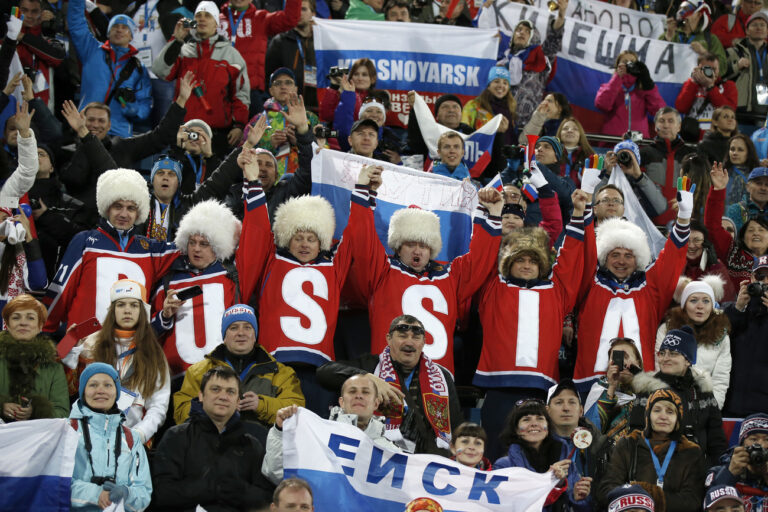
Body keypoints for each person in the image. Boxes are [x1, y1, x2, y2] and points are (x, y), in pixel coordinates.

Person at [344, 166, 503, 371]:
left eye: (424, 245)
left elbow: (481, 258)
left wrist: (492, 213)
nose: (417, 251)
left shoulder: (449, 277)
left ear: (433, 249)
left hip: (437, 382)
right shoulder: (382, 272)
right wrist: (364, 190)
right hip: (390, 379)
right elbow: (363, 239)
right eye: (411, 244)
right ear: (398, 247)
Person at [474, 189, 587, 458]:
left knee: (538, 457)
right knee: (495, 454)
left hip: (541, 389)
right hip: (498, 387)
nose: (526, 265)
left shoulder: (555, 290)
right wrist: (490, 213)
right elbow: (482, 254)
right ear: (508, 264)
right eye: (520, 260)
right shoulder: (494, 287)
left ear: (542, 265)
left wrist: (579, 214)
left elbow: (570, 258)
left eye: (532, 260)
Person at [574, 182, 693, 391]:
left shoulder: (650, 288)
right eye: (615, 255)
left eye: (628, 255)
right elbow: (582, 251)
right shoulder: (590, 283)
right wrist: (585, 202)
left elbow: (672, 258)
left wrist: (683, 219)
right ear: (604, 257)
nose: (621, 261)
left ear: (637, 259)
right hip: (589, 382)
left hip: (640, 384)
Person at [44, 168, 180, 332]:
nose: (124, 214)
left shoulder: (150, 250)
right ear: (107, 207)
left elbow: (195, 245)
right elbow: (60, 292)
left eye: (131, 208)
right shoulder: (85, 241)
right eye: (118, 206)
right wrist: (46, 334)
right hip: (82, 348)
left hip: (130, 350)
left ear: (138, 213)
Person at [58, 73, 193, 226]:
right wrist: (83, 141)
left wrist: (181, 100)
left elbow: (160, 137)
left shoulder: (123, 147)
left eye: (101, 121)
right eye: (90, 120)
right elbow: (74, 180)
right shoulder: (66, 151)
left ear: (109, 126)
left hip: (120, 223)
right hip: (79, 224)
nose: (95, 125)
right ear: (81, 121)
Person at [317, 315, 464, 455]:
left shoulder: (441, 377)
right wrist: (369, 379)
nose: (409, 342)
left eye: (416, 337)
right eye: (402, 336)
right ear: (389, 339)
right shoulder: (371, 366)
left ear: (423, 342)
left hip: (429, 460)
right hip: (381, 454)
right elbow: (324, 373)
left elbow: (456, 425)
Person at [151, 365, 274, 511]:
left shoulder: (252, 446)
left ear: (237, 401)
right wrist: (212, 487)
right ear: (201, 395)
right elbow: (161, 494)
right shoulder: (176, 437)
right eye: (215, 389)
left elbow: (266, 500)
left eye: (230, 392)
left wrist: (241, 490)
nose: (223, 396)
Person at [63, 279, 170, 444]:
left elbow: (158, 406)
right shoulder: (90, 343)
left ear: (142, 311)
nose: (127, 310)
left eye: (134, 305)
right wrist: (70, 349)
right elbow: (70, 388)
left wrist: (139, 434)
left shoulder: (154, 353)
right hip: (89, 436)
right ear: (112, 310)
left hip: (133, 440)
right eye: (121, 305)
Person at [174, 304, 305, 432]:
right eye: (234, 328)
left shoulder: (281, 373)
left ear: (255, 335)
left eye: (248, 327)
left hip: (263, 449)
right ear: (224, 336)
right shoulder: (198, 372)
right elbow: (180, 412)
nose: (241, 333)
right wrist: (213, 407)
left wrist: (261, 405)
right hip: (211, 448)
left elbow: (297, 411)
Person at [151, 200, 242, 378]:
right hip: (177, 379)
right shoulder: (168, 281)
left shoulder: (230, 277)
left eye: (204, 244)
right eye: (192, 242)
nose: (196, 249)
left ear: (216, 246)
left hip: (223, 376)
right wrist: (165, 316)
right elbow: (149, 333)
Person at [262, 374, 400, 483]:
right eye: (352, 391)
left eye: (366, 392)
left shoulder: (391, 452)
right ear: (341, 402)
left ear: (376, 403)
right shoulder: (316, 437)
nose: (359, 395)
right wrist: (279, 432)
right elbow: (277, 473)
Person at [153, 2, 250, 155]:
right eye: (198, 15)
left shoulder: (232, 56)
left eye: (208, 15)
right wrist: (176, 40)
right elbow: (160, 71)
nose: (202, 19)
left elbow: (240, 95)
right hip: (183, 130)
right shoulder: (182, 50)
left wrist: (238, 125)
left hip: (218, 134)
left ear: (216, 23)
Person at [631, 326, 728, 466]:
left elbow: (716, 438)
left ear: (688, 360)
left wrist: (714, 471)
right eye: (662, 353)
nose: (665, 358)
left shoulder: (702, 390)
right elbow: (636, 433)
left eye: (673, 353)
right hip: (655, 468)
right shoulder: (647, 389)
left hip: (697, 470)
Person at [598, 389, 705, 512]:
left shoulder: (691, 452)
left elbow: (692, 501)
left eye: (670, 412)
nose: (663, 416)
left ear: (678, 418)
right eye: (657, 410)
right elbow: (605, 490)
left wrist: (644, 492)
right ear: (648, 415)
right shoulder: (628, 444)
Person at [69, 363, 151, 511]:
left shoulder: (131, 438)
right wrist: (97, 494)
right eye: (93, 385)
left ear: (116, 392)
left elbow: (143, 492)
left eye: (108, 385)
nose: (100, 390)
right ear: (83, 392)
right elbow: (55, 484)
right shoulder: (68, 431)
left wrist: (127, 494)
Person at [67, 1, 152, 137]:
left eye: (124, 27)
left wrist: (132, 108)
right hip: (87, 128)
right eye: (115, 26)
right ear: (108, 32)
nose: (119, 30)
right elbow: (76, 24)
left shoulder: (138, 68)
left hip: (119, 134)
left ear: (131, 36)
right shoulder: (92, 50)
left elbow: (145, 104)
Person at [494, 399, 592, 512]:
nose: (534, 424)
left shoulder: (566, 462)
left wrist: (578, 498)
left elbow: (584, 509)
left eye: (540, 418)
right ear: (516, 429)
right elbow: (503, 505)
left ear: (548, 426)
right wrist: (545, 480)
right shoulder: (504, 466)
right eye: (526, 419)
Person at [656, 277, 731, 408]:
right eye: (693, 300)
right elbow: (661, 370)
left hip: (704, 408)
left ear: (712, 305)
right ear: (684, 304)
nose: (700, 306)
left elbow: (720, 381)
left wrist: (711, 410)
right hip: (670, 406)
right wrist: (671, 406)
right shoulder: (667, 329)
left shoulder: (721, 336)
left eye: (706, 301)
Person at [219, 0, 301, 115]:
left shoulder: (261, 19)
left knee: (258, 131)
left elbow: (290, 19)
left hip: (252, 93)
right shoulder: (214, 20)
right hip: (220, 91)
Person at [498, 0, 568, 128]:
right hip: (501, 125)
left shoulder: (540, 60)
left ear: (534, 36)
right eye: (518, 30)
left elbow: (553, 40)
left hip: (528, 127)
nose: (522, 33)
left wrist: (561, 15)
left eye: (527, 31)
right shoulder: (502, 62)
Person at [0, 295, 68, 422]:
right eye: (16, 317)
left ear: (40, 326)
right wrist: (1, 406)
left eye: (30, 318)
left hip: (39, 440)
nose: (23, 322)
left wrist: (35, 410)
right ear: (7, 325)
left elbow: (63, 413)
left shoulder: (54, 367)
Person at [705, 163, 768, 291]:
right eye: (751, 230)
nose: (756, 233)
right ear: (742, 237)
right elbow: (713, 227)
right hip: (736, 307)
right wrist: (718, 190)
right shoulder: (733, 253)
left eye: (761, 230)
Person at [721, 257, 768, 418]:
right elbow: (717, 338)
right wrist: (739, 307)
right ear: (751, 278)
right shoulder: (734, 309)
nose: (765, 281)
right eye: (760, 276)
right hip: (730, 404)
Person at [255, 68, 319, 177]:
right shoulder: (259, 119)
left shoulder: (310, 118)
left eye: (288, 82)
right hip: (269, 183)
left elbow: (324, 149)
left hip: (304, 179)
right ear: (271, 90)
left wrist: (301, 141)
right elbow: (245, 152)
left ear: (296, 88)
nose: (283, 86)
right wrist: (269, 145)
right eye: (277, 83)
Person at [547, 379, 606, 495]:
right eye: (559, 402)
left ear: (581, 411)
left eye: (572, 402)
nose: (566, 408)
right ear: (547, 411)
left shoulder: (600, 446)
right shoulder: (536, 445)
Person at [639, 107, 697, 225]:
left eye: (671, 121)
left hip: (684, 220)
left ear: (679, 126)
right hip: (649, 221)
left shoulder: (691, 155)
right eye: (661, 121)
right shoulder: (643, 154)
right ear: (655, 126)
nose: (666, 125)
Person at [583, 338, 644, 445]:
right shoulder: (599, 390)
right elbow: (591, 432)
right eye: (616, 358)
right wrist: (611, 387)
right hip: (609, 457)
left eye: (626, 357)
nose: (622, 363)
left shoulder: (648, 392)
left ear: (637, 362)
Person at [595, 51, 666, 139]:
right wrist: (617, 78)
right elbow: (602, 105)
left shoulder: (644, 90)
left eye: (632, 62)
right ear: (617, 66)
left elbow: (659, 112)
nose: (628, 65)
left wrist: (648, 84)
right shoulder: (609, 87)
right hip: (612, 140)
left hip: (639, 142)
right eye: (625, 62)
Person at [265, 0, 319, 111]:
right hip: (287, 108)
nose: (298, 13)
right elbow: (269, 76)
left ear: (313, 14)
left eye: (303, 9)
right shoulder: (280, 41)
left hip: (316, 106)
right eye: (296, 9)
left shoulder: (321, 42)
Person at [706, 414, 768, 510]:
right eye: (753, 439)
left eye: (767, 439)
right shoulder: (717, 471)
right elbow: (709, 505)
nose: (761, 445)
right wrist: (730, 473)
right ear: (742, 444)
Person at [602, 140, 669, 221]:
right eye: (620, 155)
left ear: (636, 161)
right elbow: (593, 205)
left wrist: (639, 177)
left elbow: (660, 208)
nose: (624, 159)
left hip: (636, 231)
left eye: (630, 157)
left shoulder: (644, 183)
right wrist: (607, 175)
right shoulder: (605, 180)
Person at [675, 53, 738, 140]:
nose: (711, 73)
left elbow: (729, 110)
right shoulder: (690, 84)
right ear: (698, 68)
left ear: (719, 69)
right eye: (707, 69)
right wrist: (693, 82)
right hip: (692, 134)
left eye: (714, 69)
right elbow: (681, 108)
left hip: (717, 137)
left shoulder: (728, 86)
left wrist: (711, 87)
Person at [15, 0, 65, 105]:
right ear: (17, 11)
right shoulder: (7, 35)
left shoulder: (48, 34)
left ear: (42, 13)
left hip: (40, 103)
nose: (29, 15)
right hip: (12, 96)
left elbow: (57, 57)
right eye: (24, 10)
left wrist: (24, 37)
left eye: (34, 11)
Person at [723, 12, 768, 127]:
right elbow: (720, 75)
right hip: (741, 112)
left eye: (762, 25)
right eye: (754, 25)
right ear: (747, 31)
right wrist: (736, 66)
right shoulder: (734, 52)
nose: (759, 27)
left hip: (765, 114)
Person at [661, 0, 726, 73]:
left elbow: (723, 68)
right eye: (681, 8)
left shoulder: (711, 39)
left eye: (687, 9)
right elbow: (653, 59)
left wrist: (704, 53)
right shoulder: (670, 33)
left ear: (699, 15)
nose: (682, 13)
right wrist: (667, 37)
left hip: (699, 83)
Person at [680, 221, 736, 301]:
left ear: (705, 242)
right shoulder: (674, 264)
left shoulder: (716, 266)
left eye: (697, 240)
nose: (691, 245)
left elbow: (727, 300)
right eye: (687, 240)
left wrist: (715, 267)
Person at [461, 66, 516, 145]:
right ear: (489, 85)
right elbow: (464, 134)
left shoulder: (511, 108)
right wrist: (494, 131)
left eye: (505, 82)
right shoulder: (473, 106)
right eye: (496, 81)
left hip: (505, 155)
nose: (501, 85)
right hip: (481, 153)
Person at [168, 119, 222, 194]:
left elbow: (220, 186)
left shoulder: (215, 164)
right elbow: (170, 175)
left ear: (207, 140)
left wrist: (209, 156)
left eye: (199, 134)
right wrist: (178, 149)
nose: (194, 137)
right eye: (190, 133)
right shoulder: (175, 158)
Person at [320, 58, 377, 124]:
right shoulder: (341, 94)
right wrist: (333, 87)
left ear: (373, 78)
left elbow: (358, 117)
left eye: (364, 75)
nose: (360, 78)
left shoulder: (377, 98)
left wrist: (349, 93)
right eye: (356, 74)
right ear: (351, 77)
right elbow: (326, 116)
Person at [721, 134, 758, 208]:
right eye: (732, 149)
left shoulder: (757, 177)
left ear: (748, 153)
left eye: (740, 150)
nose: (735, 153)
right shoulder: (721, 174)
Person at [557, 116, 595, 188]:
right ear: (560, 133)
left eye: (575, 129)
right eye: (565, 128)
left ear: (580, 135)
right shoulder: (550, 153)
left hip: (580, 197)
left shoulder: (590, 157)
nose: (570, 131)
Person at [727, 167, 768, 232]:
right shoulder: (735, 211)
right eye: (759, 183)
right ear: (748, 187)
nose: (763, 188)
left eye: (767, 185)